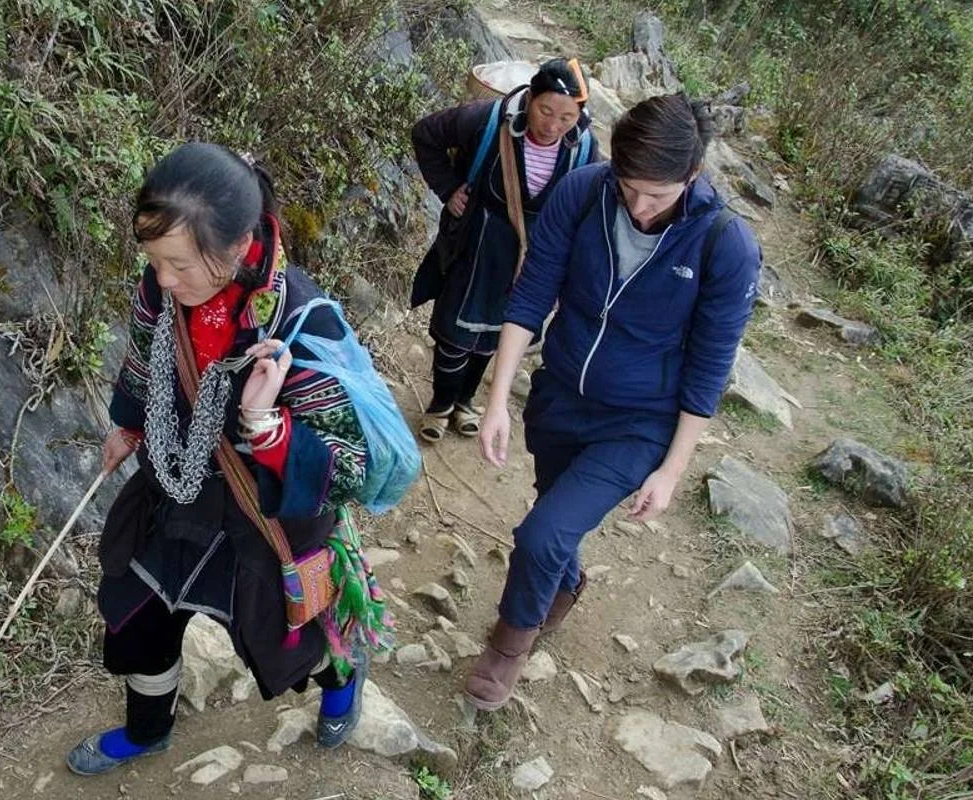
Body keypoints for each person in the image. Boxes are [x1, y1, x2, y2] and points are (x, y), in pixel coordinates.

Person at [69, 143, 389, 775]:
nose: (164, 280)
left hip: (263, 516)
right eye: (154, 260)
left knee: (288, 637)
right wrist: (128, 424)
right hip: (176, 490)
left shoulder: (302, 324)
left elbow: (350, 465)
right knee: (138, 616)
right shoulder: (162, 289)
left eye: (179, 264)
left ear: (240, 245)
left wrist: (267, 425)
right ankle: (148, 729)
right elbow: (144, 355)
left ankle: (343, 673)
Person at [462, 94, 762, 710]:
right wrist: (496, 400)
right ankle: (565, 585)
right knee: (556, 512)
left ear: (693, 174)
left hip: (640, 421)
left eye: (657, 195)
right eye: (629, 188)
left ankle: (509, 646)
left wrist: (672, 471)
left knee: (541, 534)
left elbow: (710, 366)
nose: (639, 206)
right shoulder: (583, 193)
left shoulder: (724, 245)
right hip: (561, 394)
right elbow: (531, 295)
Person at [410, 58, 598, 442]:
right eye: (546, 111)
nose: (553, 125)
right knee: (455, 330)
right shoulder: (487, 121)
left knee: (498, 332)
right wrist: (449, 189)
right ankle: (441, 404)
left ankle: (465, 402)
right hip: (477, 242)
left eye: (566, 117)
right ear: (530, 98)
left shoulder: (583, 148)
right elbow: (425, 133)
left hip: (534, 255)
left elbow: (587, 204)